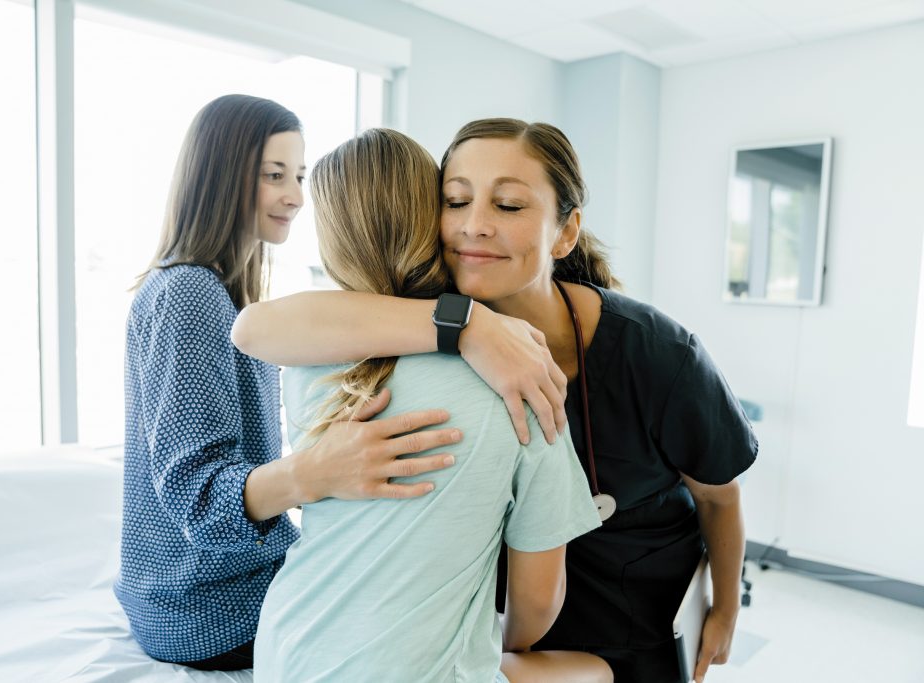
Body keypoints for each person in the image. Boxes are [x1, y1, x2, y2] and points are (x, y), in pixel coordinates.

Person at [234, 118, 759, 683]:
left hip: (635, 626)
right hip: (497, 635)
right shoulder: (425, 327)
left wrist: (726, 609)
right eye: (455, 202)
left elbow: (718, 497)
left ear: (565, 232)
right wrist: (466, 326)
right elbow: (257, 329)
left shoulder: (658, 353)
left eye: (508, 206)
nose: (475, 225)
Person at [114, 95, 477, 670]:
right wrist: (318, 471)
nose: (295, 197)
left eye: (300, 177)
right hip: (206, 611)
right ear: (219, 177)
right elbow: (197, 500)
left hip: (207, 590)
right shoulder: (189, 293)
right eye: (273, 175)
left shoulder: (220, 293)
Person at [251, 128, 610, 683]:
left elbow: (256, 327)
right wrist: (496, 647)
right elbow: (538, 601)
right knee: (595, 671)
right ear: (433, 218)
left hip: (284, 653)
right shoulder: (520, 380)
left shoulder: (308, 363)